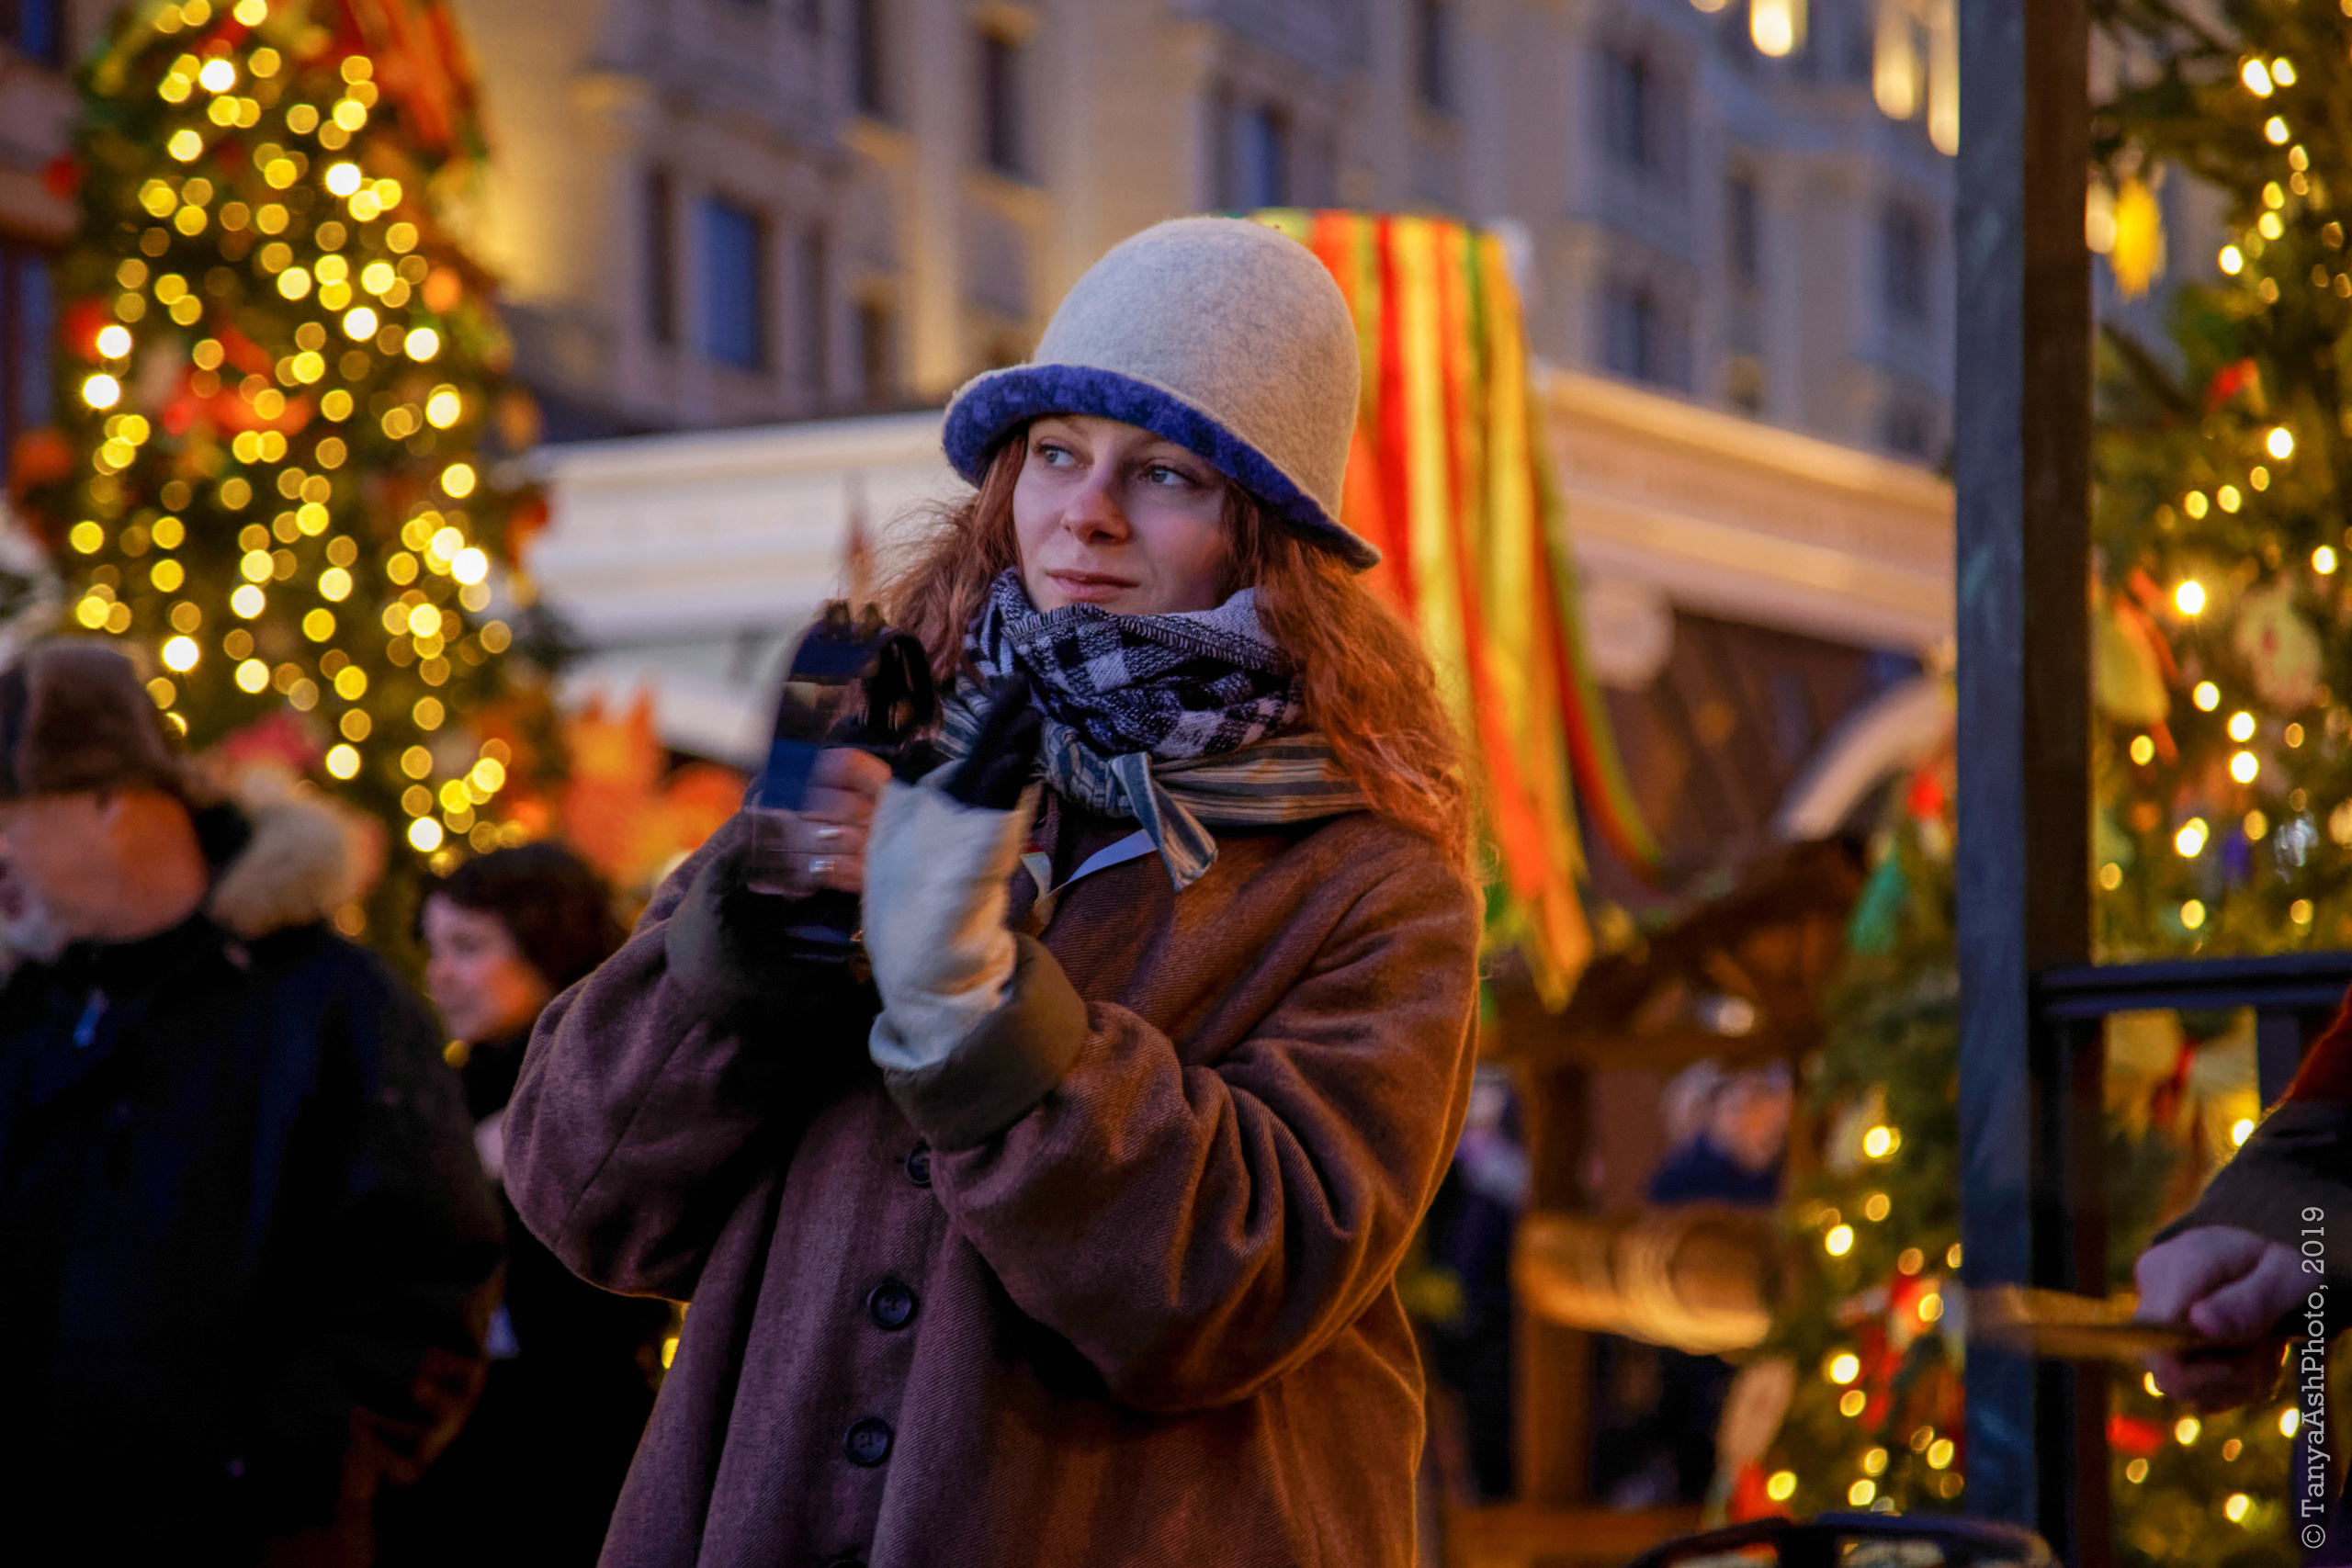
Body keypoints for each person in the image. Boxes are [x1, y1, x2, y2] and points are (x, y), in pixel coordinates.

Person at [504, 216, 1482, 1566]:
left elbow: (1238, 1278)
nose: (1086, 510)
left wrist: (979, 1011)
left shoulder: (1369, 874)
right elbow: (587, 1192)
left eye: (1166, 474)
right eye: (1057, 455)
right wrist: (757, 928)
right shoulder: (884, 740)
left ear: (1265, 537)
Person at [0, 641, 503, 1564]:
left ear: (106, 802)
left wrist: (279, 1477)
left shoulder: (328, 1005)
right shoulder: (29, 1009)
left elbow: (428, 1282)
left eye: (5, 820)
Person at [375, 844, 667, 1566]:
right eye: (434, 947)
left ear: (548, 946)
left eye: (468, 947)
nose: (440, 975)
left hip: (560, 1461)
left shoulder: (612, 1092)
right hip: (443, 1448)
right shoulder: (442, 1090)